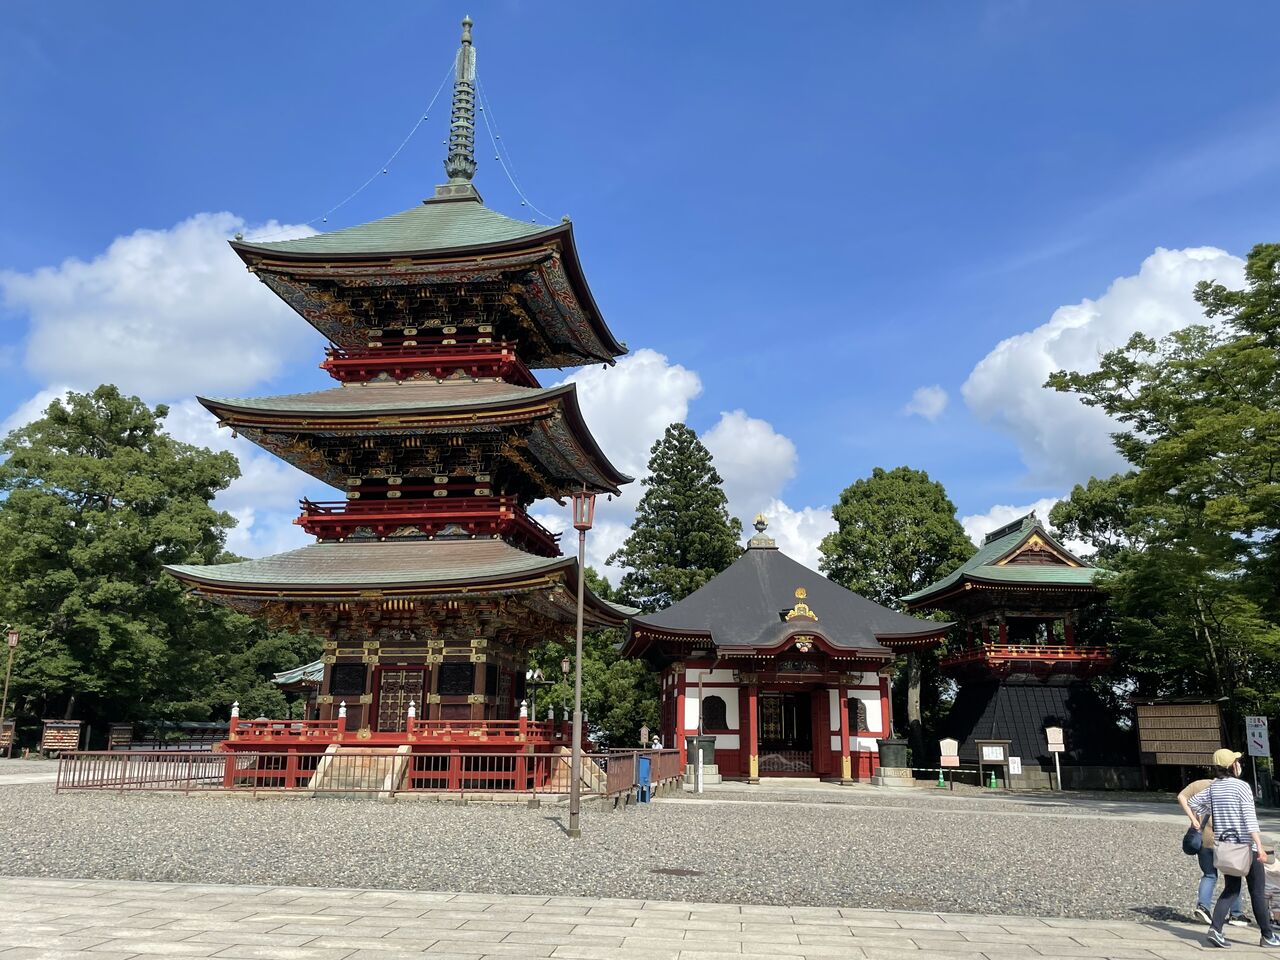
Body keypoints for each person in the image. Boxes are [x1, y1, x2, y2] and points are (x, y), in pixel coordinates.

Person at [1189, 748, 1280, 948]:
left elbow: (1193, 802)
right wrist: (1260, 847)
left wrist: (1203, 816)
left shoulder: (1214, 788)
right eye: (1237, 761)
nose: (1239, 764)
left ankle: (1216, 929)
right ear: (1232, 765)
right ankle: (1267, 935)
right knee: (1257, 890)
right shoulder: (1241, 787)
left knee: (1231, 888)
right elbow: (1250, 819)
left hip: (1225, 847)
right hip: (1245, 847)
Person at [1180, 775, 1249, 926]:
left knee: (1209, 875)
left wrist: (1193, 819)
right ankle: (1236, 914)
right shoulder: (1231, 787)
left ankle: (1203, 906)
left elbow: (1181, 796)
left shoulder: (1199, 784)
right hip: (1224, 839)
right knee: (1233, 876)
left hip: (1204, 838)